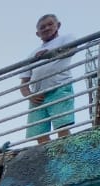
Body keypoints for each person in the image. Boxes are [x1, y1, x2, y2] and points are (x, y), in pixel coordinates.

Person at [20, 14, 76, 145]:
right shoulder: (32, 55)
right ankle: (49, 157)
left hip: (60, 88)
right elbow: (23, 84)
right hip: (38, 96)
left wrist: (50, 54)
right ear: (37, 33)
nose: (46, 28)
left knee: (62, 125)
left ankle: (64, 152)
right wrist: (30, 96)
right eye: (42, 27)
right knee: (39, 132)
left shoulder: (66, 38)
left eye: (50, 24)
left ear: (58, 25)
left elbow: (72, 50)